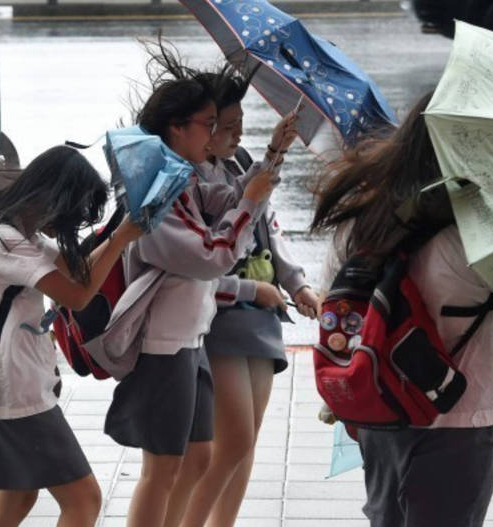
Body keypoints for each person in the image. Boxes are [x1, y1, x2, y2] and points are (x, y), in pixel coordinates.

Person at [310, 92, 493, 527]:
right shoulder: (475, 236)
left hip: (382, 409)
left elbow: (328, 307)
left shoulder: (359, 221)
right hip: (459, 422)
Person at [101, 46, 297, 527]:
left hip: (189, 340)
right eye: (209, 124)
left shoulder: (181, 179)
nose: (216, 135)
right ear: (177, 128)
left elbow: (230, 198)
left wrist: (273, 153)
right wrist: (250, 200)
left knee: (201, 456)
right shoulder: (153, 191)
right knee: (162, 467)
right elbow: (213, 256)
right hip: (163, 345)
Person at [0, 145, 143, 527]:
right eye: (74, 214)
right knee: (84, 500)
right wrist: (123, 239)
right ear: (55, 197)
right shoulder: (6, 243)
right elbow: (77, 296)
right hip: (17, 394)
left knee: (15, 504)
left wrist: (120, 229)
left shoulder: (16, 235)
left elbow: (77, 273)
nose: (72, 227)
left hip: (3, 392)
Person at [180, 68, 320, 527]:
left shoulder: (238, 161)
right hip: (220, 316)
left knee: (247, 440)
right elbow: (199, 262)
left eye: (241, 122)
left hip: (261, 312)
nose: (238, 131)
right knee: (232, 440)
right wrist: (252, 289)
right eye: (227, 123)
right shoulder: (186, 177)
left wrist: (294, 283)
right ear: (202, 124)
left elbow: (265, 224)